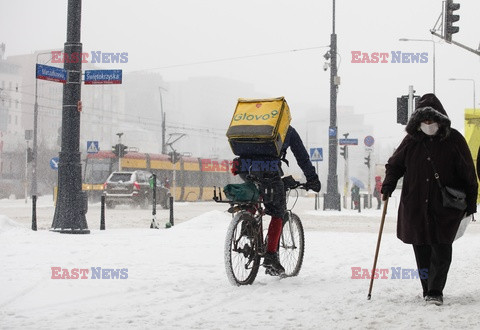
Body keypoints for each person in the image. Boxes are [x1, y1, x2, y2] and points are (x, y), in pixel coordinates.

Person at [381, 93, 478, 306]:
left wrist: (471, 203)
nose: (428, 124)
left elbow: (468, 174)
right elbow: (395, 165)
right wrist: (388, 184)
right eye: (424, 120)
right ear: (418, 121)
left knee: (442, 248)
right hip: (416, 205)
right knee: (421, 247)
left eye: (431, 120)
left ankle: (435, 290)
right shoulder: (411, 140)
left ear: (440, 119)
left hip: (445, 207)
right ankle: (427, 288)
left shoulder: (454, 139)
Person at [232, 125, 321, 276]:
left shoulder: (250, 124)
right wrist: (312, 179)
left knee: (255, 191)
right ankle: (271, 256)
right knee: (278, 211)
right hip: (268, 169)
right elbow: (302, 157)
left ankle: (248, 220)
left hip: (243, 167)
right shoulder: (287, 130)